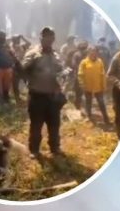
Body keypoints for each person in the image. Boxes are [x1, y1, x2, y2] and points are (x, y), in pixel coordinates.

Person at [21, 26, 65, 158]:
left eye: (51, 37)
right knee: (36, 124)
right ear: (41, 38)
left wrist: (63, 74)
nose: (49, 39)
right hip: (37, 95)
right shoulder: (33, 53)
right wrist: (32, 63)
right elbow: (23, 69)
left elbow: (61, 71)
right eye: (46, 36)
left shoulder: (56, 55)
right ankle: (34, 150)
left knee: (54, 124)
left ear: (53, 39)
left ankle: (55, 148)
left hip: (52, 96)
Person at [78, 46, 110, 124]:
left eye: (94, 51)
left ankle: (106, 118)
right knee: (88, 102)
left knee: (101, 103)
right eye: (91, 51)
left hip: (98, 87)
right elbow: (80, 74)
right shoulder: (84, 62)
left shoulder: (100, 62)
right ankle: (89, 117)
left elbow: (102, 74)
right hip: (87, 86)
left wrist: (104, 85)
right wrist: (82, 84)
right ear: (88, 52)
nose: (93, 53)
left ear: (96, 52)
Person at [69, 40, 89, 109]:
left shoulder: (87, 55)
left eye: (84, 48)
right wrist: (81, 69)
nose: (84, 50)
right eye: (82, 48)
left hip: (87, 76)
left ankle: (85, 106)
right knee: (78, 92)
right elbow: (74, 64)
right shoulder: (76, 55)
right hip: (78, 76)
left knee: (86, 92)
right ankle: (77, 105)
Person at [11, 34, 31, 102]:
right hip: (15, 67)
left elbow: (29, 43)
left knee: (28, 82)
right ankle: (17, 99)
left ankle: (30, 96)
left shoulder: (22, 46)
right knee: (15, 84)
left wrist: (22, 37)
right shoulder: (10, 48)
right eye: (16, 40)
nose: (17, 41)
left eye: (18, 40)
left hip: (23, 67)